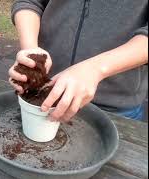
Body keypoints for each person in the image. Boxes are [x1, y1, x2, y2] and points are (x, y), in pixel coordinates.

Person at [8, 0, 148, 121]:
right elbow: (31, 2)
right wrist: (31, 50)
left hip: (114, 106)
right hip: (44, 91)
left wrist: (96, 69)